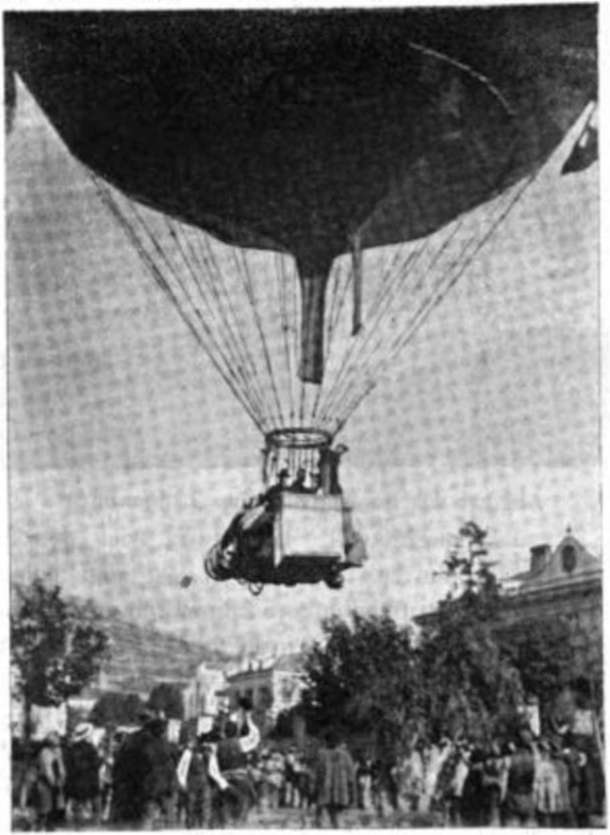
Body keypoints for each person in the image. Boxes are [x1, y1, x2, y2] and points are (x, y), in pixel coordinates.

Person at [314, 729, 357, 827]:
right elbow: (351, 777)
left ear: (325, 741)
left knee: (323, 822)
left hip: (324, 794)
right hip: (341, 794)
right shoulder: (346, 755)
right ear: (338, 742)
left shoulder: (321, 754)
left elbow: (315, 775)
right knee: (338, 821)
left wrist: (313, 793)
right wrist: (351, 795)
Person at [65, 722, 101, 825]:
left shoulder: (71, 749)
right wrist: (101, 758)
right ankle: (95, 827)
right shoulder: (91, 748)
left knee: (78, 809)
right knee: (96, 809)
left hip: (76, 784)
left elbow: (70, 766)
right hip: (92, 783)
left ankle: (79, 827)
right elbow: (96, 765)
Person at [34, 732, 66, 831]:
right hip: (46, 781)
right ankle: (40, 827)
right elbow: (48, 769)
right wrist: (54, 783)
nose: (58, 741)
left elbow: (61, 766)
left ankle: (49, 827)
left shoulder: (57, 751)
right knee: (45, 808)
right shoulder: (45, 752)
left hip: (55, 781)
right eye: (56, 739)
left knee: (53, 807)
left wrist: (62, 778)